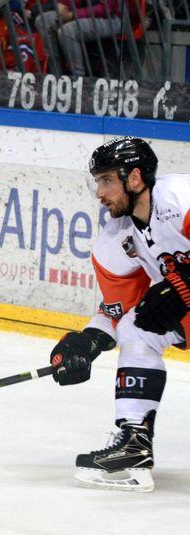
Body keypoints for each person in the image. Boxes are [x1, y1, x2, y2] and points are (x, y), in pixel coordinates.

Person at [48, 137, 186, 492]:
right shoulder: (117, 240)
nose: (99, 193)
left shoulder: (180, 198)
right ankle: (135, 444)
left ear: (135, 178)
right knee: (135, 328)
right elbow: (118, 310)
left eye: (107, 180)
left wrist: (183, 286)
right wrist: (87, 341)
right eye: (97, 181)